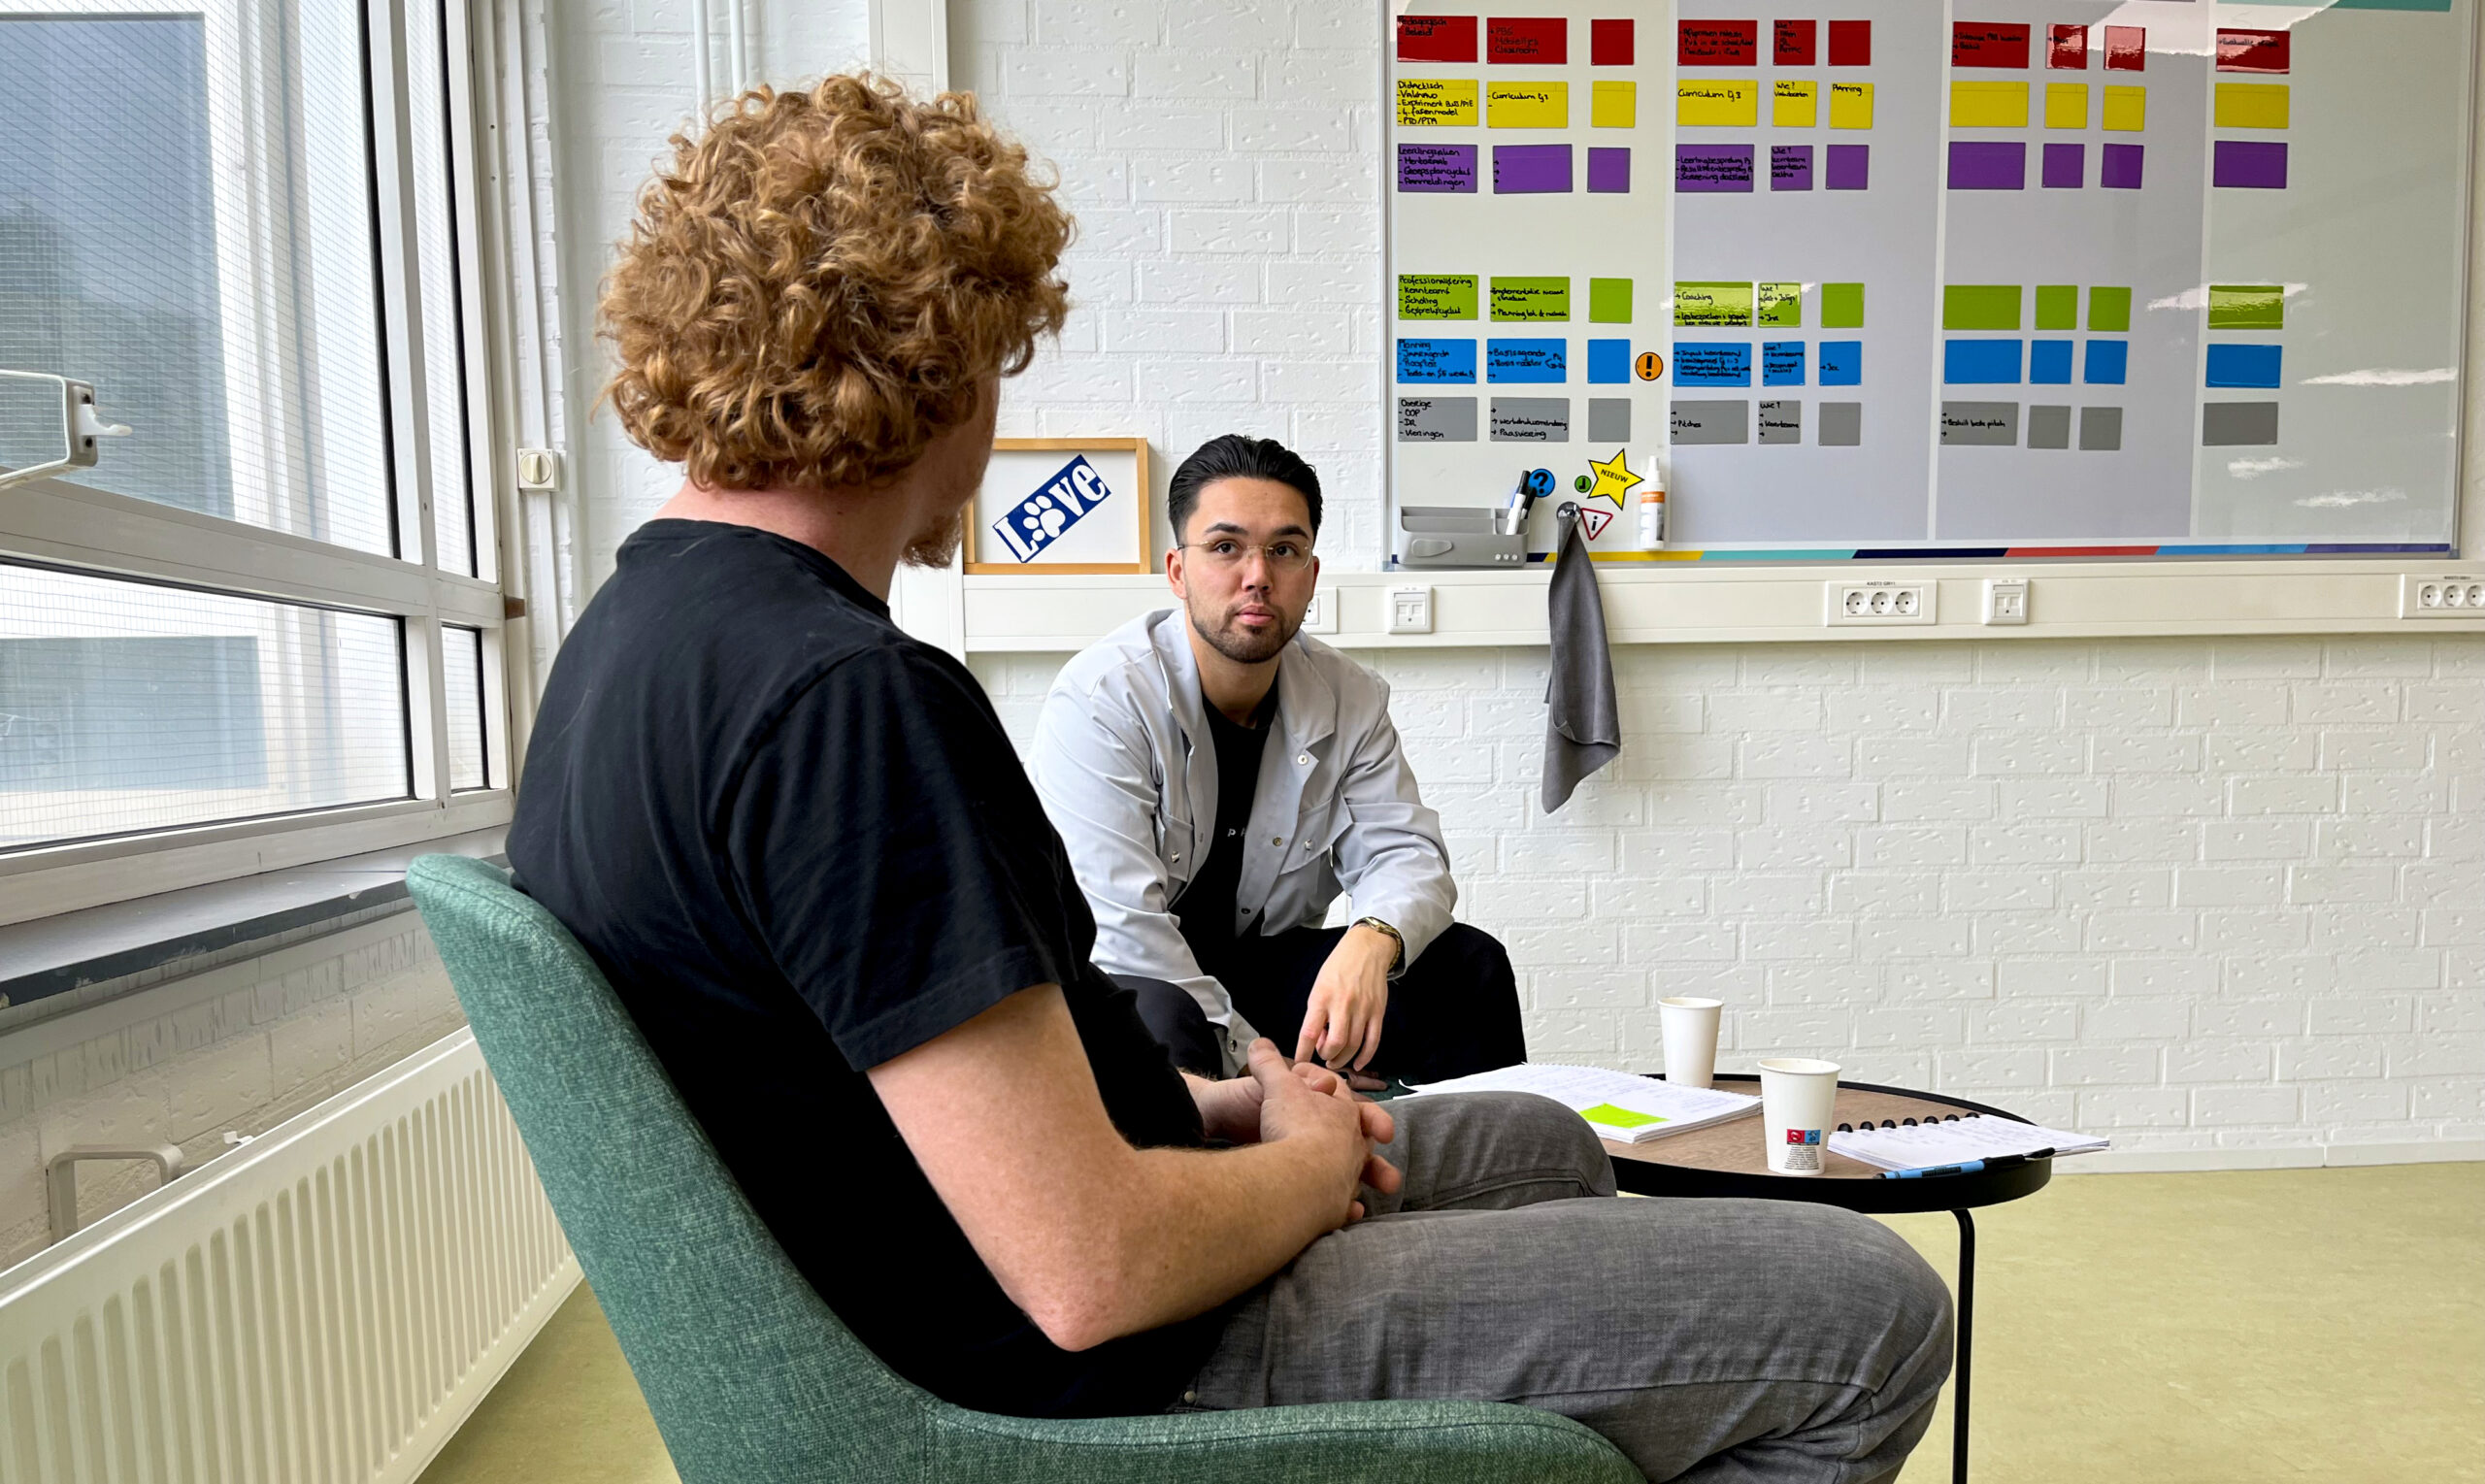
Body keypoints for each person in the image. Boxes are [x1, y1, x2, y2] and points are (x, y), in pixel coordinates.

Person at [508, 74, 1953, 1479]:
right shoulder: (843, 703)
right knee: (1867, 1308)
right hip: (1104, 1368)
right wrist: (1307, 1168)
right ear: (933, 365)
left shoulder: (633, 644)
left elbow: (927, 1096)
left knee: (1541, 1139)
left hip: (982, 1268)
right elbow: (1090, 1265)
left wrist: (1235, 1113)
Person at [1031, 435, 1524, 1085]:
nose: (1257, 574)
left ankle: (1493, 1176)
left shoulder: (1349, 698)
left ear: (1311, 576)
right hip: (1115, 978)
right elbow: (1121, 931)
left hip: (1251, 967)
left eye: (1284, 550)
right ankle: (1223, 1184)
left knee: (1465, 964)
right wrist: (1265, 1068)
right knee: (1159, 1013)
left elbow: (1408, 859)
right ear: (1178, 571)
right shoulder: (1103, 699)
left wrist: (1372, 939)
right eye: (1226, 546)